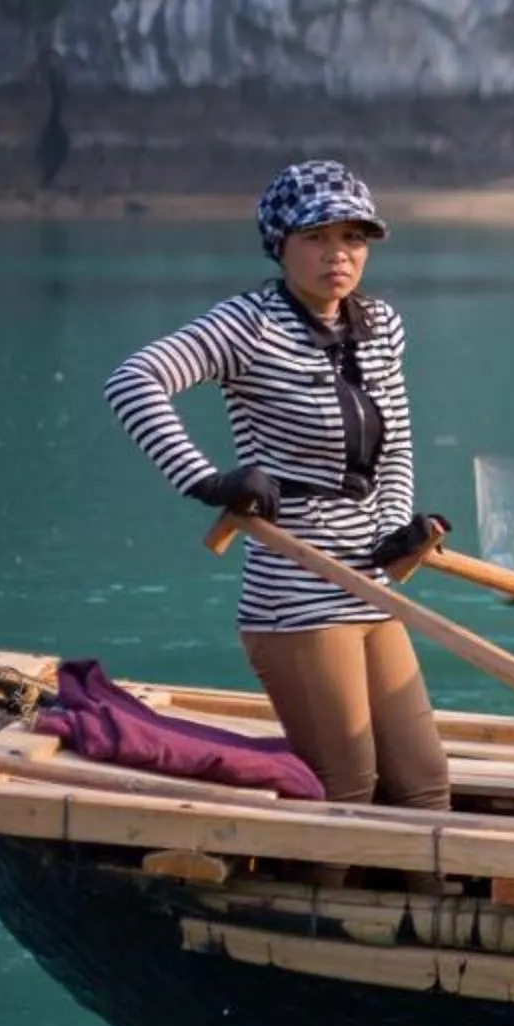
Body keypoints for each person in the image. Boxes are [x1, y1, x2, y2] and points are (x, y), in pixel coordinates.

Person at [103, 161, 450, 808]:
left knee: (424, 783)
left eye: (353, 238)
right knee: (349, 784)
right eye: (317, 237)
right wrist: (208, 481)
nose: (338, 255)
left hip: (367, 586)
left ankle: (420, 910)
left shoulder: (381, 326)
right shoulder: (248, 324)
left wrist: (397, 528)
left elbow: (395, 446)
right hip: (295, 595)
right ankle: (332, 909)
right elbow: (133, 382)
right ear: (280, 244)